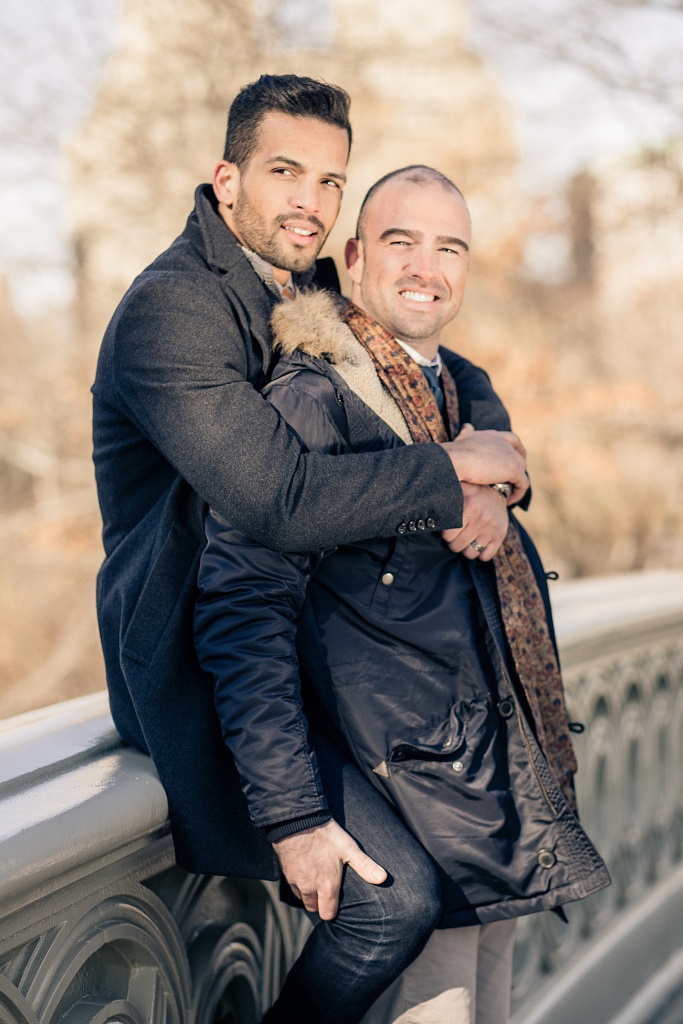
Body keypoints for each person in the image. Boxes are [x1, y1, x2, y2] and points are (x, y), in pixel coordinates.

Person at [194, 167, 611, 1024]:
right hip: (405, 779)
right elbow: (244, 608)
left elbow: (493, 454)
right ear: (352, 256)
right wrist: (294, 811)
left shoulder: (448, 386)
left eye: (448, 246)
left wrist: (500, 489)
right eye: (400, 242)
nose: (427, 266)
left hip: (486, 764)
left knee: (490, 992)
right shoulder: (314, 399)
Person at [92, 75, 528, 881]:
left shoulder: (301, 285)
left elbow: (438, 357)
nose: (310, 202)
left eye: (329, 181)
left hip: (304, 649)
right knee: (390, 905)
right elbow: (280, 499)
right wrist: (452, 468)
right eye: (284, 172)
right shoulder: (173, 309)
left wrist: (494, 476)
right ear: (228, 182)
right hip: (203, 663)